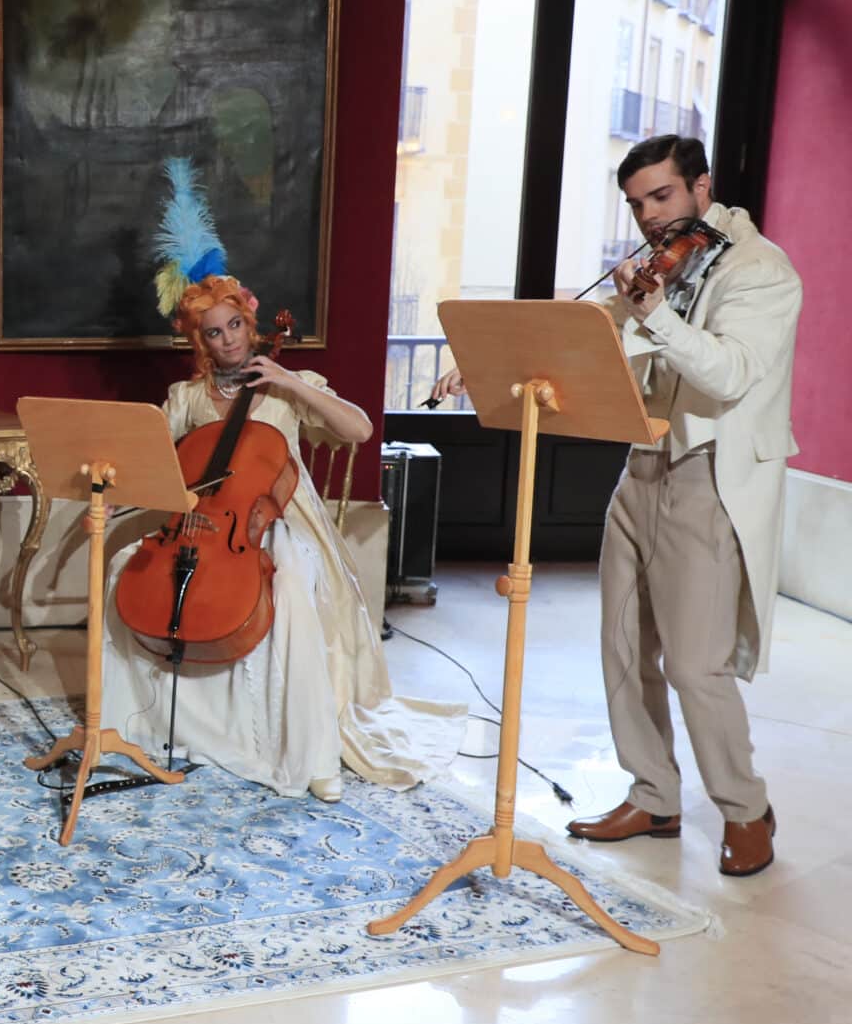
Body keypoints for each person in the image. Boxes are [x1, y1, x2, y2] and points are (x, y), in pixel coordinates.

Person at [435, 133, 800, 876]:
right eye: (636, 204)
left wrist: (657, 315)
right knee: (624, 644)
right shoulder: (658, 270)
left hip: (710, 472)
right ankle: (654, 794)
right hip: (643, 461)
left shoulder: (762, 272)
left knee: (695, 664)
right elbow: (589, 333)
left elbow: (729, 374)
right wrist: (491, 369)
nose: (649, 218)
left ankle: (745, 807)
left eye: (662, 197)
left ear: (701, 188)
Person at [102, 275, 465, 800]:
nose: (227, 340)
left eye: (234, 326)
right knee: (124, 568)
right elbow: (149, 454)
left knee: (290, 582)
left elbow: (360, 430)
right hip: (203, 521)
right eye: (212, 333)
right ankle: (142, 722)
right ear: (198, 342)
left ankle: (312, 751)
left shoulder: (290, 385)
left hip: (280, 518)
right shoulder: (184, 398)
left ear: (249, 325)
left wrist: (289, 382)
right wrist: (121, 486)